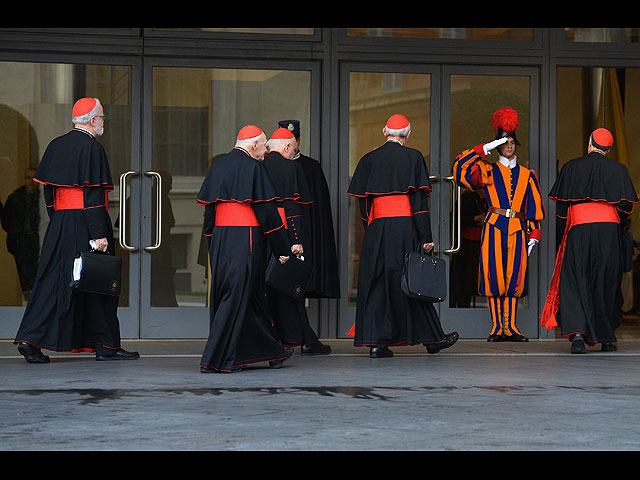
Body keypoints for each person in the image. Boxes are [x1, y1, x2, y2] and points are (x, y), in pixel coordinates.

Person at [13, 97, 139, 363]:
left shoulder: (55, 145)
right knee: (99, 284)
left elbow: (48, 191)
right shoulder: (92, 148)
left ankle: (28, 338)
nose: (103, 122)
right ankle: (106, 345)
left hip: (60, 222)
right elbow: (92, 196)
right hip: (87, 223)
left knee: (50, 282)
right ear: (92, 120)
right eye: (102, 118)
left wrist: (58, 219)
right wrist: (99, 235)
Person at [347, 114, 458, 358]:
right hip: (405, 227)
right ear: (408, 135)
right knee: (411, 282)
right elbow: (418, 202)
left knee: (378, 282)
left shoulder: (368, 159)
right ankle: (432, 338)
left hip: (377, 228)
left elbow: (364, 205)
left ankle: (377, 344)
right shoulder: (413, 157)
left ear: (384, 132)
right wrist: (425, 236)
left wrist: (372, 228)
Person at [196, 125, 297, 373]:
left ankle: (271, 351)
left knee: (251, 297)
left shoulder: (217, 166)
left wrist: (212, 242)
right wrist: (282, 248)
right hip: (247, 239)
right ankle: (215, 358)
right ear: (253, 146)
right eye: (263, 147)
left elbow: (209, 214)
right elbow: (267, 214)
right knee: (236, 296)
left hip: (222, 239)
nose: (265, 153)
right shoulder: (254, 168)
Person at [451, 107, 545, 342]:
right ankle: (497, 328)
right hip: (494, 226)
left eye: (512, 141)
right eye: (505, 142)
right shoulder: (487, 170)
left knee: (515, 278)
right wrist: (483, 149)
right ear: (498, 145)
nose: (509, 146)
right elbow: (459, 169)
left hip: (517, 228)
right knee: (494, 275)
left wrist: (535, 233)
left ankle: (511, 327)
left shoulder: (527, 174)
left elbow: (533, 205)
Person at [541, 128, 639, 353]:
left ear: (589, 144)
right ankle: (607, 339)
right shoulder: (619, 169)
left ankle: (577, 334)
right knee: (605, 282)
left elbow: (562, 211)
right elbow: (626, 208)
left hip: (579, 231)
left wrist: (561, 238)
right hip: (608, 234)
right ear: (609, 148)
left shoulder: (571, 167)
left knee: (576, 280)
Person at [262, 127, 332, 355]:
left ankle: (298, 337)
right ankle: (301, 339)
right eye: (293, 149)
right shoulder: (291, 167)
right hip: (282, 233)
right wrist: (297, 240)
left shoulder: (258, 166)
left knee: (266, 287)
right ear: (286, 147)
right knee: (291, 287)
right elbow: (292, 208)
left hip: (261, 234)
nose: (294, 153)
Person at [278, 120, 340, 300]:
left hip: (305, 230)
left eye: (293, 140)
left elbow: (319, 210)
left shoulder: (311, 167)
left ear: (298, 141)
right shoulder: (272, 164)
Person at [2, 168, 41, 301]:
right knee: (25, 275)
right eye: (28, 178)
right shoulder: (15, 198)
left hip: (37, 238)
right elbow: (6, 220)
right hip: (21, 240)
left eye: (34, 179)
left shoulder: (43, 198)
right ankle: (28, 300)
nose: (31, 182)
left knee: (37, 272)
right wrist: (16, 232)